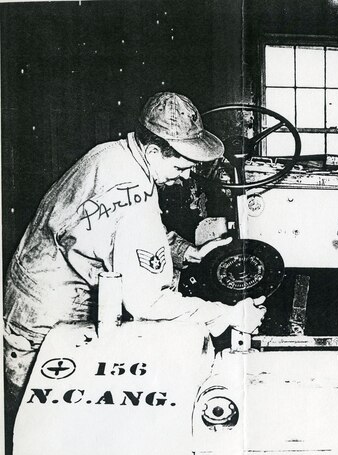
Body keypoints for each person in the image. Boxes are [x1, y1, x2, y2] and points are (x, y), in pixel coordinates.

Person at [3, 92, 266, 420]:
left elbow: (105, 227)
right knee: (44, 431)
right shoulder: (137, 195)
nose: (186, 176)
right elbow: (147, 301)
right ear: (155, 150)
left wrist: (190, 253)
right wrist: (226, 314)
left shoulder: (113, 155)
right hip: (50, 324)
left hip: (25, 297)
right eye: (182, 166)